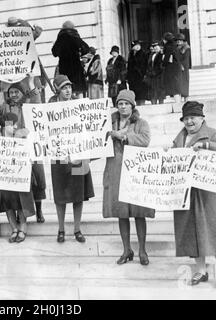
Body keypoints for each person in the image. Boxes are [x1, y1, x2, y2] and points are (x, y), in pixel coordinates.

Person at [171, 101, 216, 289]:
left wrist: (207, 144)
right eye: (186, 118)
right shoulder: (179, 138)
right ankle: (201, 271)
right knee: (191, 231)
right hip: (187, 192)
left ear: (202, 118)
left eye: (193, 118)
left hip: (208, 193)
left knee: (214, 230)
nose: (189, 122)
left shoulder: (214, 134)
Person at [102, 90, 154, 265]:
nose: (123, 106)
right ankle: (126, 250)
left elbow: (145, 140)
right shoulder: (108, 123)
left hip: (135, 172)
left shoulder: (141, 123)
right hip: (116, 171)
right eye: (120, 103)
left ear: (132, 105)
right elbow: (97, 141)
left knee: (139, 213)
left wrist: (123, 136)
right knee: (121, 214)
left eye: (126, 103)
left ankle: (143, 250)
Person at [0, 77, 47, 223]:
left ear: (22, 93)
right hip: (14, 152)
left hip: (30, 147)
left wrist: (31, 82)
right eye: (11, 92)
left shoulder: (28, 104)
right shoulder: (6, 108)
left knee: (38, 179)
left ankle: (39, 210)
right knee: (18, 184)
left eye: (16, 92)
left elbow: (37, 101)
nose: (13, 95)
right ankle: (21, 214)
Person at [49, 74, 95, 243]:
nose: (68, 90)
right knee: (60, 195)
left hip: (78, 154)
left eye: (69, 87)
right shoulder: (50, 106)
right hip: (59, 156)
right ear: (57, 90)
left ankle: (77, 229)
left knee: (78, 193)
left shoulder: (79, 104)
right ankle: (61, 229)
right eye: (64, 87)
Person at [0, 112, 36, 243]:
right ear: (4, 125)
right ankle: (14, 228)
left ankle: (23, 228)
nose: (15, 127)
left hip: (18, 174)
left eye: (15, 124)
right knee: (8, 203)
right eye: (12, 124)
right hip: (3, 175)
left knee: (20, 203)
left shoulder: (20, 136)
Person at [52, 21, 90, 98]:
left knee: (66, 90)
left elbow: (54, 53)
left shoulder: (60, 38)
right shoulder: (75, 36)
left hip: (64, 69)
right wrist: (80, 53)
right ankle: (81, 107)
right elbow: (86, 49)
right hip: (76, 68)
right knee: (79, 91)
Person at [162, 32, 182, 103]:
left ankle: (177, 102)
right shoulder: (175, 46)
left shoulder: (168, 47)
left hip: (170, 68)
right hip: (176, 68)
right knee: (176, 85)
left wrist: (163, 64)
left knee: (173, 85)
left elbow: (166, 58)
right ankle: (178, 101)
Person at [127, 40, 148, 106]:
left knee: (141, 92)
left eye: (138, 45)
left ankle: (142, 104)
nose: (137, 47)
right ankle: (138, 104)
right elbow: (129, 66)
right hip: (132, 77)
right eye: (135, 46)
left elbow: (145, 65)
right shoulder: (131, 54)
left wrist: (143, 73)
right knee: (134, 92)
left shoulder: (143, 53)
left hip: (140, 76)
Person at [176, 33, 191, 101]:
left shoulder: (186, 48)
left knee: (185, 82)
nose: (178, 41)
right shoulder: (177, 48)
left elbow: (186, 59)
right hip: (178, 68)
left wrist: (182, 66)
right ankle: (182, 97)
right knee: (180, 83)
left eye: (180, 40)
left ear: (183, 41)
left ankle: (186, 98)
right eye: (177, 40)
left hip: (184, 68)